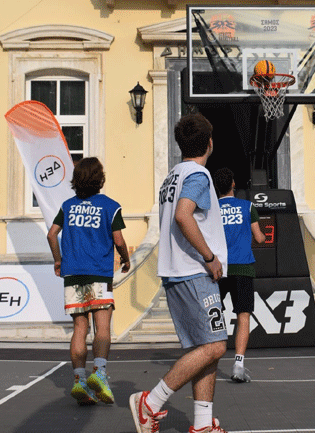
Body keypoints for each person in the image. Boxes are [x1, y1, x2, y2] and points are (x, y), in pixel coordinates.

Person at [130, 113, 228, 433]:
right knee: (215, 346)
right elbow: (184, 216)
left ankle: (202, 424)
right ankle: (151, 402)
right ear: (209, 143)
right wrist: (209, 257)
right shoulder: (198, 175)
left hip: (177, 271)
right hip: (193, 271)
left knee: (204, 349)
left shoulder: (172, 175)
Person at [47, 157, 131, 406]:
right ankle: (100, 374)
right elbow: (118, 240)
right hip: (98, 273)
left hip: (73, 273)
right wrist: (126, 259)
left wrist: (58, 260)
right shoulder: (110, 206)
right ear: (100, 179)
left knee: (79, 328)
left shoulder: (67, 206)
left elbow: (51, 234)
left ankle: (79, 380)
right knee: (102, 326)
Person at [212, 167, 264, 383]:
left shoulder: (211, 209)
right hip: (242, 267)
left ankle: (209, 360)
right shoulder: (247, 206)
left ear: (216, 187)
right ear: (233, 184)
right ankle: (239, 365)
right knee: (243, 316)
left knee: (214, 315)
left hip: (218, 269)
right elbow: (259, 238)